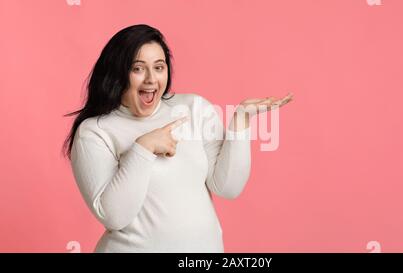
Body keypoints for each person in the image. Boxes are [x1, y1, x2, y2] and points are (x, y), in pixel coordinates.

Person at [63, 24, 293, 252]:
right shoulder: (95, 132)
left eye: (159, 67)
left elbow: (228, 187)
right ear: (117, 73)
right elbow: (115, 216)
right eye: (138, 69)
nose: (151, 79)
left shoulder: (193, 108)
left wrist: (241, 121)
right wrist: (143, 148)